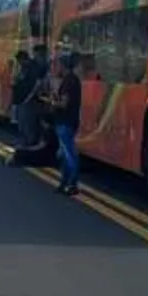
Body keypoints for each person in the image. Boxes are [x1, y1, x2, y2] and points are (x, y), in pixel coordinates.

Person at [50, 51, 81, 195]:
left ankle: (72, 183)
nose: (57, 68)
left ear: (63, 66)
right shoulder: (73, 79)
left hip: (65, 121)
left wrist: (52, 101)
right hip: (70, 121)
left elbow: (64, 104)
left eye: (58, 65)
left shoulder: (69, 81)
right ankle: (64, 182)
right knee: (64, 153)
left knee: (68, 154)